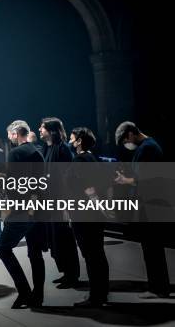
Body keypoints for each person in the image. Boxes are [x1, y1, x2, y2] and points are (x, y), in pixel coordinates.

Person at [114, 121, 171, 299]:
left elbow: (145, 178)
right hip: (153, 203)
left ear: (131, 134)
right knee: (152, 248)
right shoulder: (150, 146)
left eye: (125, 140)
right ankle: (158, 286)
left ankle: (158, 288)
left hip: (151, 204)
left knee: (152, 248)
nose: (126, 144)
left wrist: (125, 180)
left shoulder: (148, 148)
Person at [0, 120, 47, 309]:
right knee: (35, 254)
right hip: (38, 208)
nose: (8, 138)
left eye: (9, 134)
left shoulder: (16, 153)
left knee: (2, 248)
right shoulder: (37, 151)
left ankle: (24, 291)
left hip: (21, 209)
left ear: (16, 133)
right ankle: (38, 296)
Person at [68, 127, 110, 307]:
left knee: (91, 255)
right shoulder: (93, 158)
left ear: (79, 141)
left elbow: (88, 189)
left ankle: (95, 298)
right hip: (93, 214)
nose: (70, 141)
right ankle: (101, 294)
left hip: (84, 214)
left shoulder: (79, 160)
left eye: (72, 138)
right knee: (98, 254)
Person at [39, 117, 80, 289]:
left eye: (42, 127)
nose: (40, 130)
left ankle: (72, 275)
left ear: (51, 130)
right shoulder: (47, 148)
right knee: (55, 240)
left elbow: (67, 179)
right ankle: (65, 272)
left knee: (64, 239)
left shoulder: (62, 149)